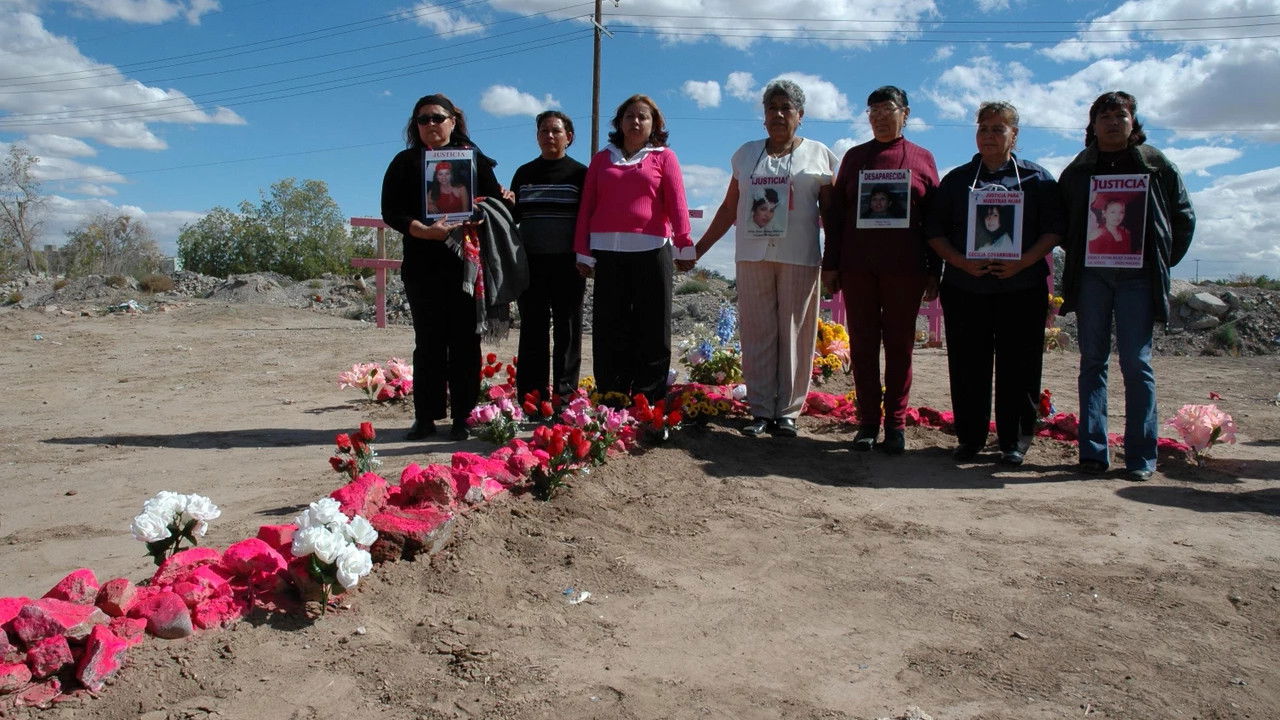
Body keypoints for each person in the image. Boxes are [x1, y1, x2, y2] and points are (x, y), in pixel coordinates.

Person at [689, 79, 839, 438]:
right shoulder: (745, 154)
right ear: (763, 116)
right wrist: (699, 250)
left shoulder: (819, 154)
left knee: (794, 332)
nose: (778, 115)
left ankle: (787, 411)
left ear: (800, 115)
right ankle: (759, 409)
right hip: (752, 256)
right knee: (756, 331)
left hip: (799, 256)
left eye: (786, 108)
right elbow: (729, 208)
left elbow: (832, 214)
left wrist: (834, 260)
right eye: (772, 108)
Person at [1059, 91, 1195, 481]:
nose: (1112, 122)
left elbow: (1183, 217)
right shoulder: (1079, 169)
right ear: (1093, 124)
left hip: (1139, 277)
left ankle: (1140, 456)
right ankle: (1093, 453)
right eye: (1104, 116)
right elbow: (1066, 219)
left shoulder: (1156, 165)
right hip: (1093, 277)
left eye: (1120, 115)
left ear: (1133, 122)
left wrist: (1159, 261)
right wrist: (1091, 251)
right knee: (1092, 361)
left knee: (1136, 363)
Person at [924, 101, 1065, 466]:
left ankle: (1013, 442)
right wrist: (961, 263)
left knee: (1020, 366)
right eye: (983, 128)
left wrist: (1023, 261)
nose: (989, 135)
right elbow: (935, 233)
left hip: (1022, 288)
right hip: (966, 287)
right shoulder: (956, 180)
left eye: (998, 129)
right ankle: (969, 439)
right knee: (968, 366)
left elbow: (1053, 231)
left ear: (1014, 135)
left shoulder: (1038, 179)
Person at [381, 93, 510, 442]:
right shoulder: (405, 162)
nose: (431, 125)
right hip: (423, 266)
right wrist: (423, 230)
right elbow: (391, 210)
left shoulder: (474, 160)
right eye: (423, 120)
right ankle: (425, 417)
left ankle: (464, 418)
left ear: (453, 121)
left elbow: (494, 201)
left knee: (466, 343)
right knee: (429, 343)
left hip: (465, 267)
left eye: (438, 118)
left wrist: (495, 203)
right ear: (415, 126)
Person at [821, 85, 939, 454]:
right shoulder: (855, 158)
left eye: (888, 109)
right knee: (864, 346)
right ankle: (868, 423)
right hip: (858, 269)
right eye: (873, 110)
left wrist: (935, 269)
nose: (879, 117)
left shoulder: (922, 158)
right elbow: (837, 217)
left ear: (905, 113)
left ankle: (897, 425)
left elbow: (935, 218)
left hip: (905, 271)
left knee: (900, 347)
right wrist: (832, 265)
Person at [574, 94, 694, 405]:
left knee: (652, 326)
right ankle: (612, 394)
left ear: (654, 124)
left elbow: (677, 203)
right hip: (607, 253)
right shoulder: (602, 159)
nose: (636, 122)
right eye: (630, 116)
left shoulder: (664, 157)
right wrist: (582, 249)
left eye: (643, 117)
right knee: (610, 325)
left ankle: (648, 396)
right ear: (619, 123)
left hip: (652, 251)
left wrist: (683, 242)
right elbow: (587, 205)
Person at [510, 110, 588, 403]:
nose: (549, 136)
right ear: (537, 136)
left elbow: (588, 217)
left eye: (556, 131)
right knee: (533, 329)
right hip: (531, 264)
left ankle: (565, 396)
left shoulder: (580, 174)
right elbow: (513, 216)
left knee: (568, 330)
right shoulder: (524, 173)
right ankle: (533, 397)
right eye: (544, 131)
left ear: (569, 137)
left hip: (569, 264)